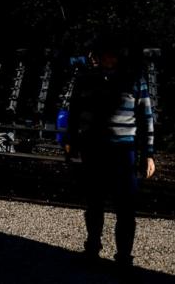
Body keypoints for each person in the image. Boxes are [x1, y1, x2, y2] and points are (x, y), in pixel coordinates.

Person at [67, 35, 156, 272]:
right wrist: (71, 143)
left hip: (123, 150)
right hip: (92, 149)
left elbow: (146, 118)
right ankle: (92, 247)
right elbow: (74, 113)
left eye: (112, 53)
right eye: (103, 53)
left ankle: (124, 255)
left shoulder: (135, 80)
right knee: (94, 202)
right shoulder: (84, 79)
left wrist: (148, 153)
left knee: (125, 207)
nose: (107, 57)